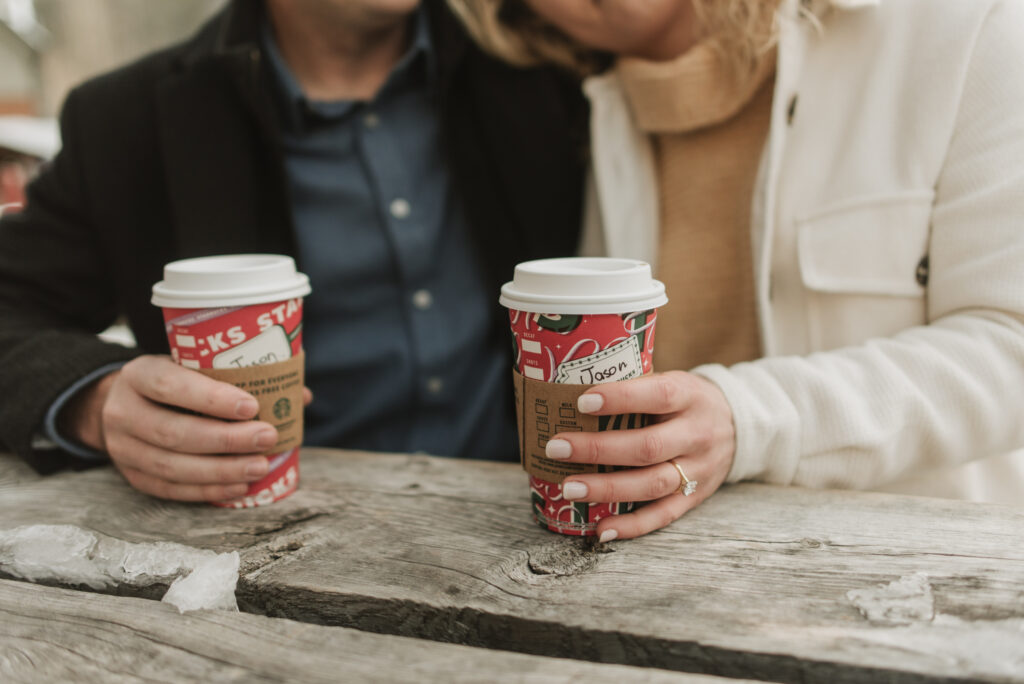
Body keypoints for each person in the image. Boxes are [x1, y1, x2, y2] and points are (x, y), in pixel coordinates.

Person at [449, 0, 1024, 540]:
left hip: (914, 569)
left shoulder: (965, 27)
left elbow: (1011, 349)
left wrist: (748, 419)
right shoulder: (592, 104)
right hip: (683, 574)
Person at [0, 0, 587, 502]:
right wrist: (94, 402)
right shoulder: (127, 120)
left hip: (529, 521)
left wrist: (682, 391)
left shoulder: (552, 59)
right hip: (256, 540)